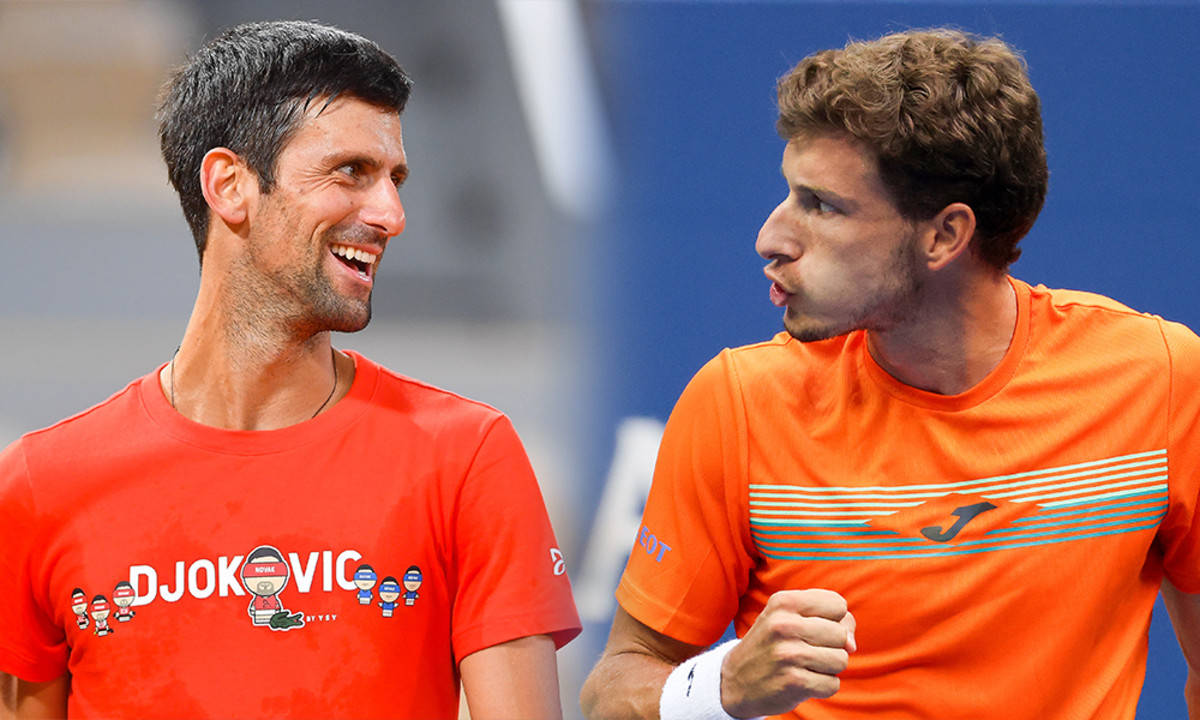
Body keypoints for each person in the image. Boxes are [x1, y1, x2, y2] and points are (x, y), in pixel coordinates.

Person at [581, 28, 1200, 720]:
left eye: (821, 205)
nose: (772, 238)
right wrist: (719, 688)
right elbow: (613, 692)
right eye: (790, 195)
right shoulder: (738, 402)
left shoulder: (1164, 379)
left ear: (944, 235)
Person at [0, 20, 579, 719]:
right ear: (230, 185)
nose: (392, 214)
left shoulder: (465, 456)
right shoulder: (41, 484)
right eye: (351, 172)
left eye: (394, 178)